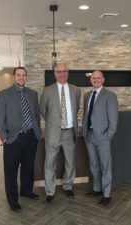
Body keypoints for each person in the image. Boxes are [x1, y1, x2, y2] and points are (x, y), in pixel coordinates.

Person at [0, 67, 40, 212]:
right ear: (14, 77)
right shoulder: (4, 95)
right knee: (11, 171)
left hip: (31, 137)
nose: (21, 77)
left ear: (26, 77)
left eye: (24, 75)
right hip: (13, 139)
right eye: (18, 75)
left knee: (28, 167)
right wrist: (3, 137)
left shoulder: (33, 94)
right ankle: (13, 200)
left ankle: (26, 191)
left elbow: (37, 115)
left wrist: (36, 132)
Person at [40, 63, 81, 204]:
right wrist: (53, 123)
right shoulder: (47, 91)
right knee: (50, 162)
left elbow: (76, 109)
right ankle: (50, 191)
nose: (62, 74)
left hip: (70, 132)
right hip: (53, 133)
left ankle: (68, 186)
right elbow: (43, 111)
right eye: (59, 71)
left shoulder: (76, 90)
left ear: (68, 72)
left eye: (64, 71)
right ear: (55, 73)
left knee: (70, 162)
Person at [82, 70, 118, 206]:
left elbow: (113, 120)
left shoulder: (110, 96)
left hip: (103, 137)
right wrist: (84, 132)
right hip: (89, 136)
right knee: (94, 164)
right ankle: (97, 189)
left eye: (98, 78)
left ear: (103, 80)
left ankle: (107, 194)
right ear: (90, 80)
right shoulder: (87, 96)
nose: (95, 80)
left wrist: (108, 136)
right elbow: (86, 115)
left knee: (105, 166)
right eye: (93, 78)